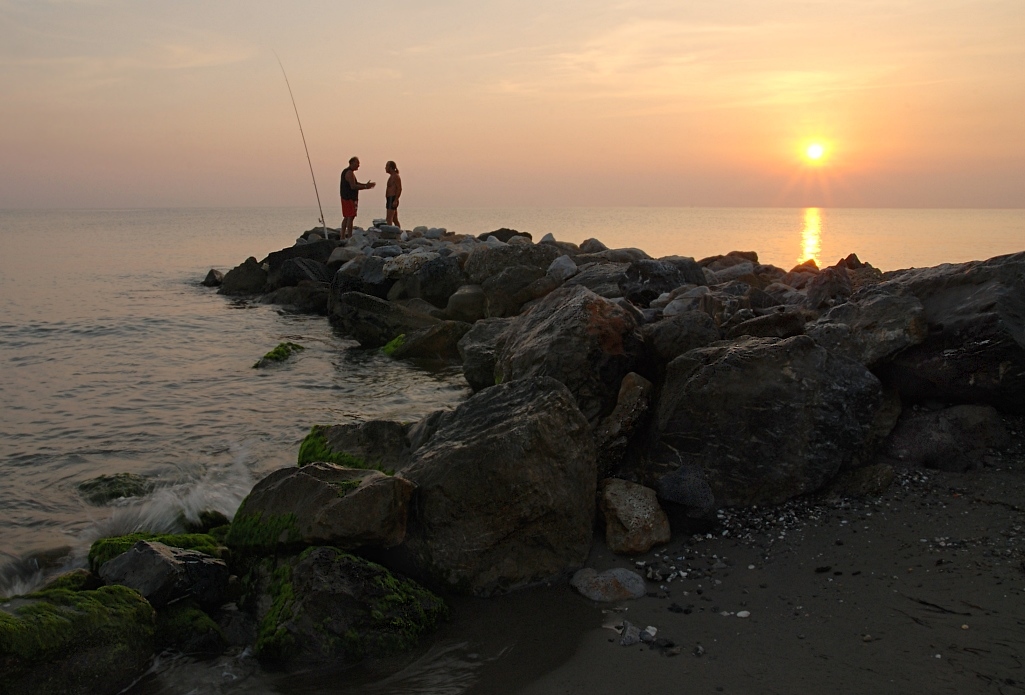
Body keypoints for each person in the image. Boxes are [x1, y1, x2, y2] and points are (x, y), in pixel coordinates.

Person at [339, 156, 375, 239]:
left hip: (346, 197)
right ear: (351, 163)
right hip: (349, 198)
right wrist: (366, 187)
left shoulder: (348, 172)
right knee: (350, 217)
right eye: (357, 163)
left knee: (347, 216)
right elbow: (353, 186)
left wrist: (365, 185)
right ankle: (349, 236)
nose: (358, 165)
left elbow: (355, 183)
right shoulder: (349, 173)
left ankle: (343, 235)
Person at [385, 161, 402, 228]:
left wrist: (396, 200)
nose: (385, 168)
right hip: (389, 198)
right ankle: (398, 232)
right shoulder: (392, 176)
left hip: (392, 198)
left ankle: (389, 232)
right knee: (395, 219)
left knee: (389, 218)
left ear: (391, 167)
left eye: (387, 166)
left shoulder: (395, 176)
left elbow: (399, 188)